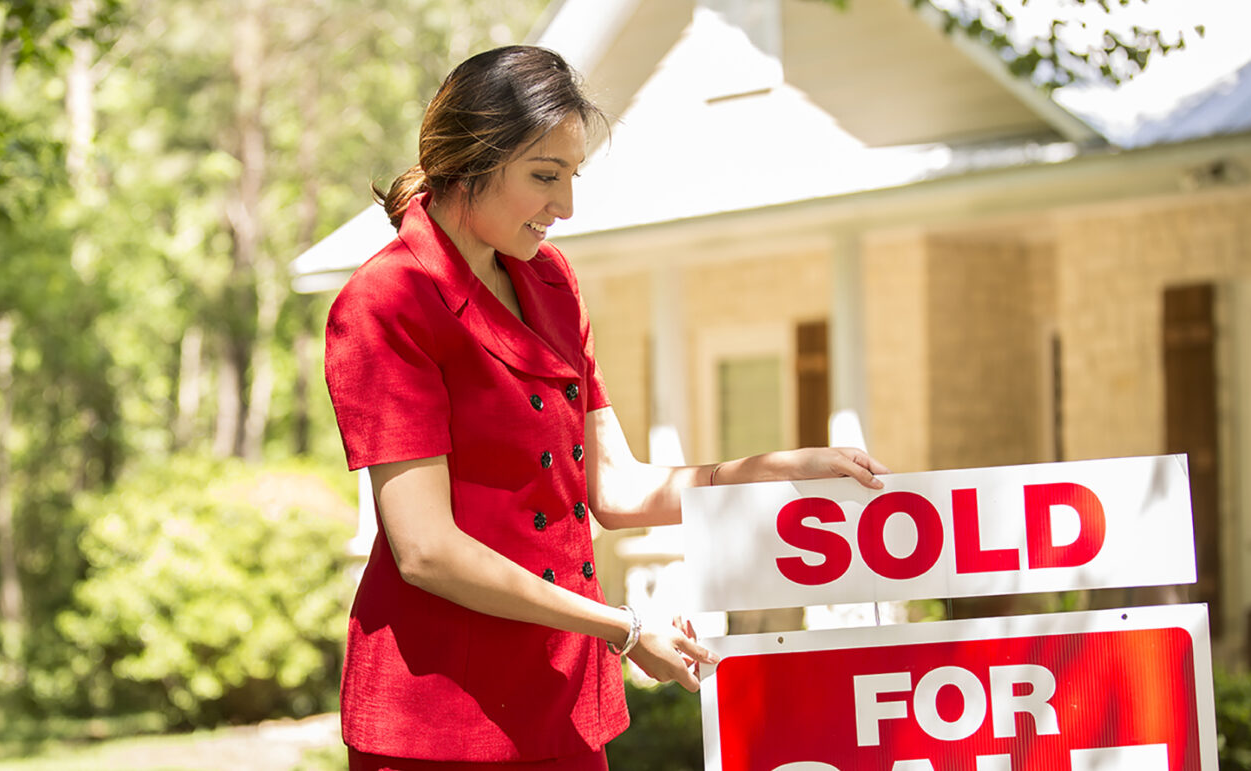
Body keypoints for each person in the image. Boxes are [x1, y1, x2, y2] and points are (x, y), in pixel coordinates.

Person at [323, 45, 889, 770]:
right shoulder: (386, 301)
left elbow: (616, 489)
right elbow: (427, 550)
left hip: (563, 700)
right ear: (472, 159)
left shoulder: (551, 282)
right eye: (544, 177)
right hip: (439, 717)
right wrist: (622, 628)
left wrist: (778, 469)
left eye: (571, 177)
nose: (565, 207)